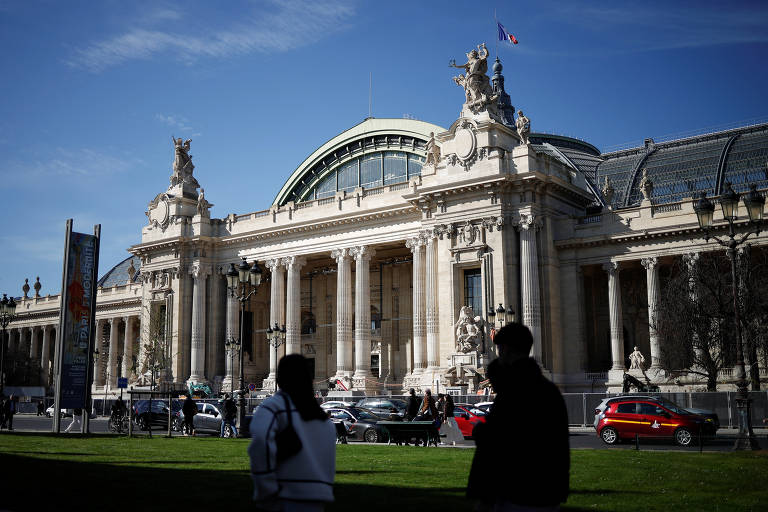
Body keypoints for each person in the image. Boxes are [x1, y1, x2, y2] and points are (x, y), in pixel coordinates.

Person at [467, 323, 569, 511]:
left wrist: (480, 431)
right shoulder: (549, 390)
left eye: (499, 349)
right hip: (547, 492)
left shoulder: (514, 391)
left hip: (516, 492)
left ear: (506, 349)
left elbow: (498, 444)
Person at [248, 354, 335, 511]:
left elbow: (261, 445)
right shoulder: (324, 420)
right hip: (317, 501)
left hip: (283, 498)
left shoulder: (273, 408)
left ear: (279, 380)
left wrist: (266, 492)